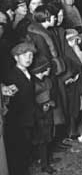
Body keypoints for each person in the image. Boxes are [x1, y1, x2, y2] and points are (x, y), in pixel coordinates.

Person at [5, 42, 37, 175]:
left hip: (28, 118)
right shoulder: (12, 76)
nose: (29, 58)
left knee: (25, 148)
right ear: (16, 58)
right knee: (18, 151)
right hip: (18, 121)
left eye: (31, 55)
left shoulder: (28, 73)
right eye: (24, 55)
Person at [31, 57, 57, 174]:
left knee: (48, 136)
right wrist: (41, 107)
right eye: (47, 68)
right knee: (42, 140)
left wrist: (50, 103)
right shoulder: (33, 83)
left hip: (47, 113)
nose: (50, 69)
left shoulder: (46, 80)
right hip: (39, 115)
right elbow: (32, 101)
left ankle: (47, 158)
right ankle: (44, 164)